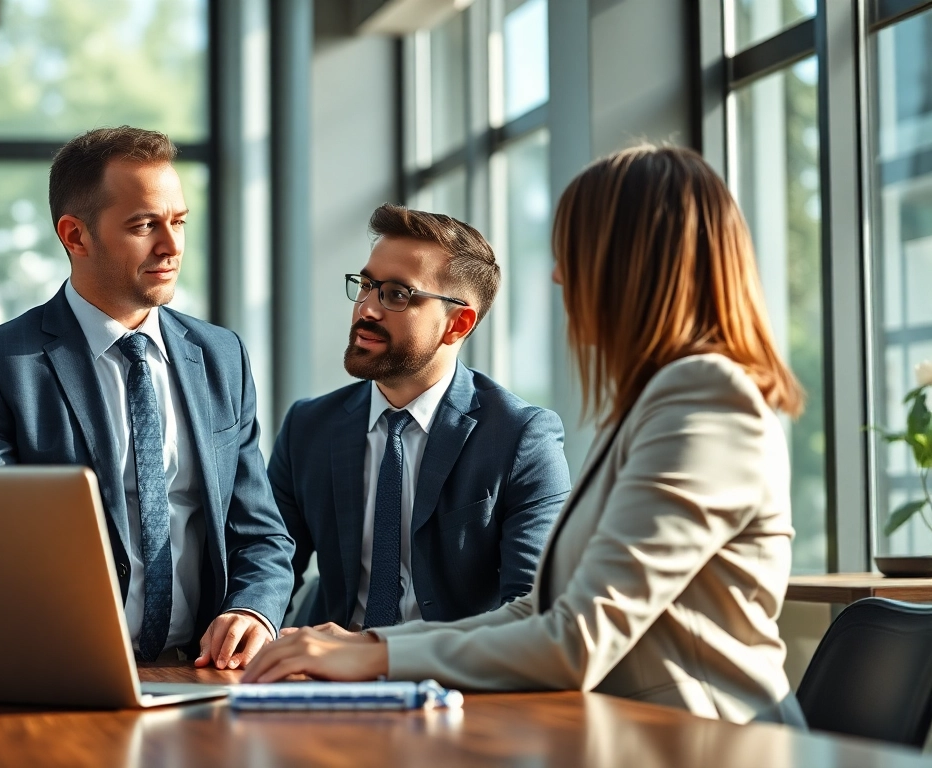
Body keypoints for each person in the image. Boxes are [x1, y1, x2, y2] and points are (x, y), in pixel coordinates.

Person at [245, 145, 808, 727]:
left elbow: (578, 638)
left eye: (575, 252)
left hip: (715, 743)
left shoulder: (704, 402)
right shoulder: (652, 404)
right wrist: (364, 650)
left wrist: (377, 654)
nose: (559, 274)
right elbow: (540, 612)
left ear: (633, 265)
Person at [0, 126, 294, 670]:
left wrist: (254, 611)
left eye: (178, 222)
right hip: (58, 673)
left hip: (199, 677)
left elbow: (260, 534)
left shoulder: (222, 356)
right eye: (144, 225)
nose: (171, 246)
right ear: (75, 236)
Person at [268, 204, 570, 632]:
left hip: (454, 683)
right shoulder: (309, 426)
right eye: (367, 286)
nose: (366, 309)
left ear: (458, 323)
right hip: (323, 675)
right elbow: (269, 561)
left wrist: (383, 656)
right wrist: (252, 618)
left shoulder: (522, 437)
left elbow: (533, 604)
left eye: (396, 294)